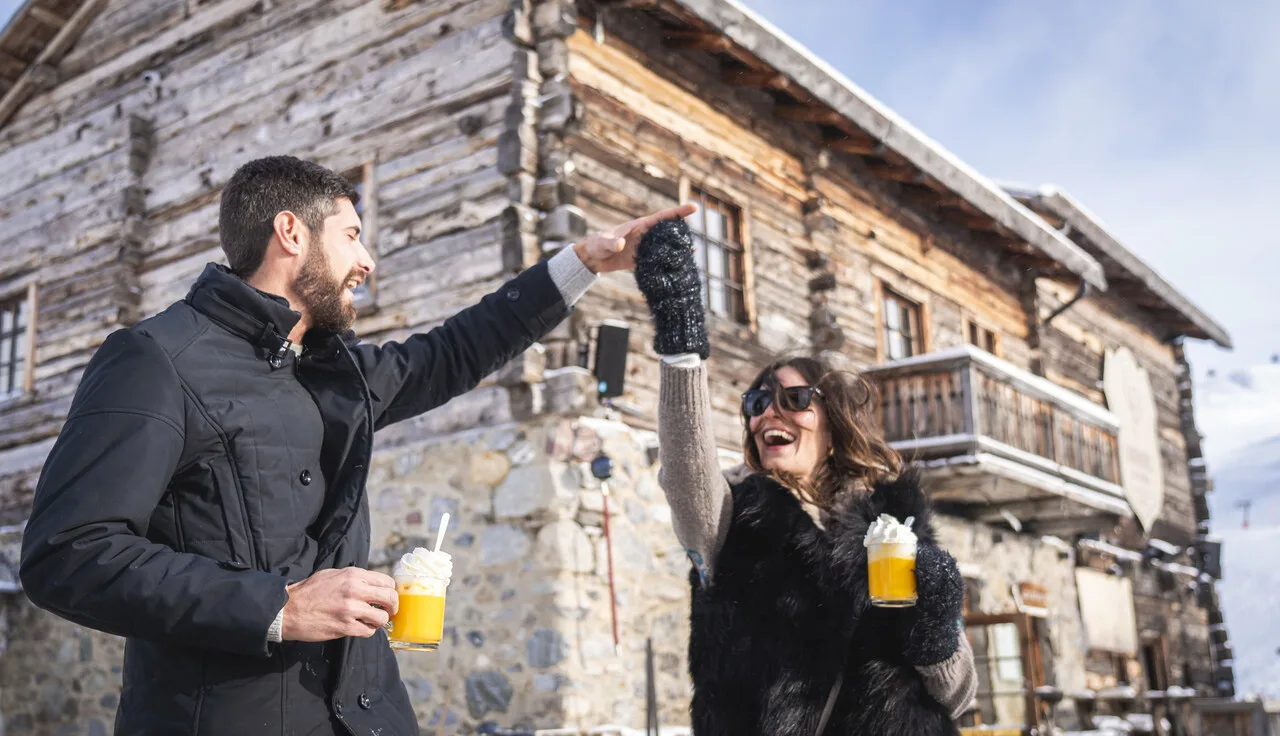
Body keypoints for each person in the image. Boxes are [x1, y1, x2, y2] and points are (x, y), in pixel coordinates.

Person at [19, 155, 694, 736]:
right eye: (351, 236)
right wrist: (278, 606)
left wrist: (582, 263)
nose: (366, 261)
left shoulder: (333, 371)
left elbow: (454, 351)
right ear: (291, 232)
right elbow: (68, 553)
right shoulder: (155, 359)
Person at [634, 218, 978, 736]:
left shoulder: (895, 527)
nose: (769, 413)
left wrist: (936, 632)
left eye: (794, 399)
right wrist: (681, 346)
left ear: (834, 422)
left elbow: (957, 696)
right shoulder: (731, 517)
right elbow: (687, 470)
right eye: (756, 403)